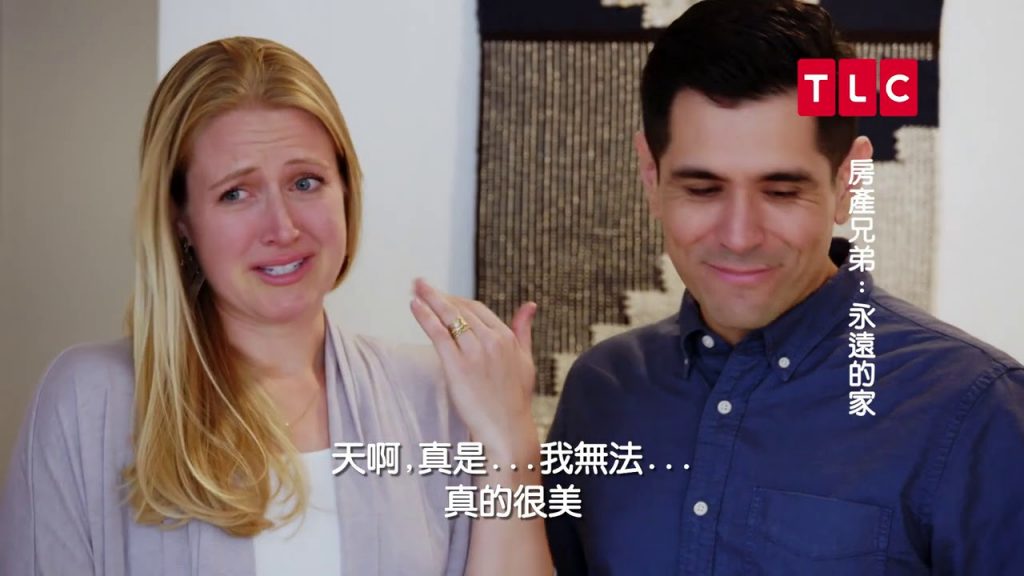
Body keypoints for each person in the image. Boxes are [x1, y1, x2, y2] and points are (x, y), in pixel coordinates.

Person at [0, 36, 552, 575]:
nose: (283, 227)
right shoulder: (87, 402)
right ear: (181, 220)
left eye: (305, 182)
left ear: (346, 190)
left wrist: (510, 435)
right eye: (235, 193)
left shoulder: (438, 394)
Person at [542, 1, 1024, 574]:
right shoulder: (601, 389)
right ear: (651, 177)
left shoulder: (977, 410)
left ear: (848, 181)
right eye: (702, 189)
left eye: (782, 191)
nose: (740, 236)